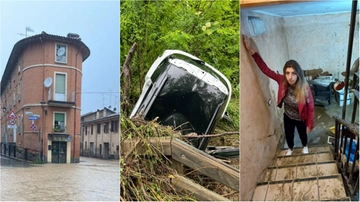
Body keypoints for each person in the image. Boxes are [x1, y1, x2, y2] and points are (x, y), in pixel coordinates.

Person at [242, 35, 315, 156]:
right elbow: (266, 70)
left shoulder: (304, 88)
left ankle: (305, 146)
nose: (290, 77)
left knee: (303, 134)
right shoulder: (281, 80)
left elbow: (311, 107)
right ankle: (290, 148)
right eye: (287, 73)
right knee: (289, 133)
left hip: (301, 118)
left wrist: (310, 124)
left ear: (298, 74)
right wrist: (251, 51)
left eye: (293, 73)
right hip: (288, 116)